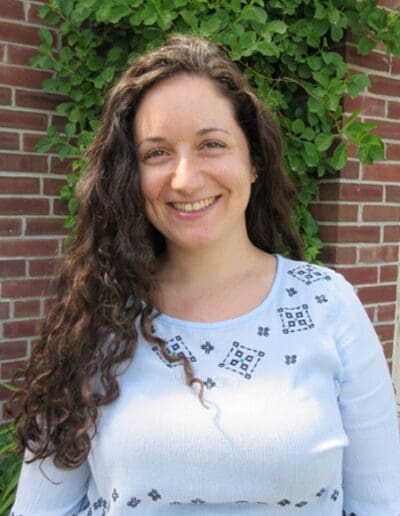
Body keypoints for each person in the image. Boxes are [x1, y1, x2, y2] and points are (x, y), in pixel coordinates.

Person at [11, 35, 400, 516]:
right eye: (156, 153)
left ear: (254, 160)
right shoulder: (96, 314)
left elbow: (381, 502)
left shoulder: (328, 305)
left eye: (211, 144)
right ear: (130, 175)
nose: (185, 179)